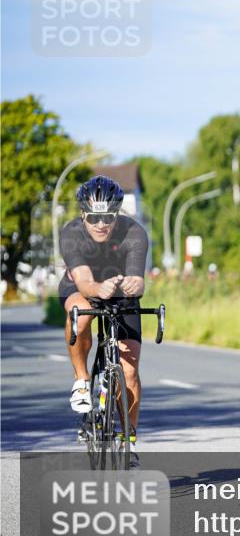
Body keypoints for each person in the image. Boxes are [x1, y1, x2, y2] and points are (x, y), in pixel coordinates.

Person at [59, 176, 149, 467]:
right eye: (94, 217)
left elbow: (138, 279)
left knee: (130, 370)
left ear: (117, 214)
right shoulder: (71, 234)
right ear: (82, 214)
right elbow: (85, 282)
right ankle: (82, 381)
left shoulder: (134, 233)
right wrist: (100, 288)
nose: (101, 223)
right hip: (84, 288)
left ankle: (128, 441)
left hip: (121, 293)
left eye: (108, 217)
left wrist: (134, 284)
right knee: (80, 311)